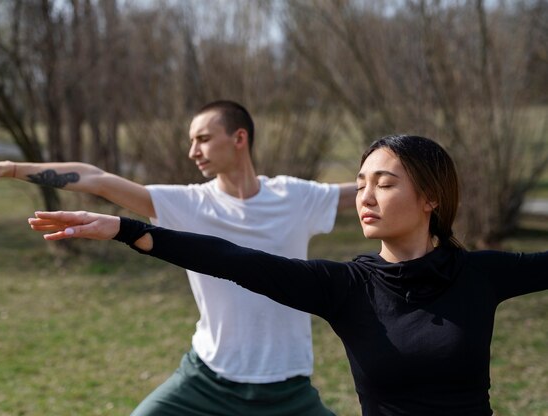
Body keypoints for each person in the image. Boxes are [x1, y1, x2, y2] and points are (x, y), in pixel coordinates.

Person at [28, 134, 547, 416]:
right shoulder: (348, 288)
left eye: (384, 184)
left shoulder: (481, 275)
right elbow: (232, 259)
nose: (365, 197)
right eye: (361, 182)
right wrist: (125, 228)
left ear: (431, 197)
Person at [0, 100, 357, 416]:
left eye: (203, 138)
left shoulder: (295, 196)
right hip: (207, 379)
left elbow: (368, 193)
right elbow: (98, 179)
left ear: (239, 138)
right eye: (191, 141)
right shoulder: (186, 203)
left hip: (287, 389)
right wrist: (11, 169)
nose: (193, 150)